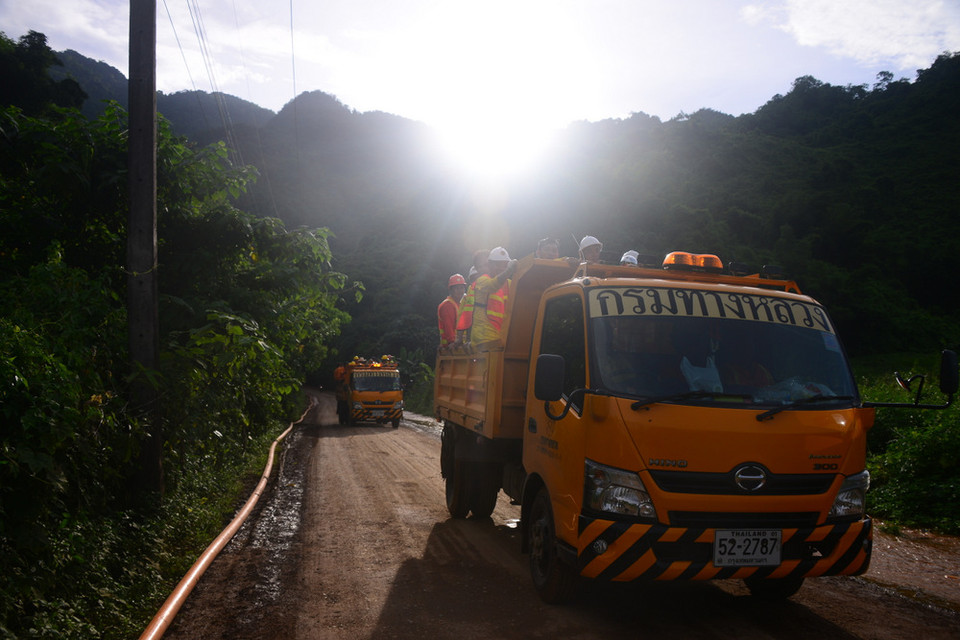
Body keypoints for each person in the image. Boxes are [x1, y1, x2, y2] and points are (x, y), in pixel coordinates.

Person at [471, 246, 517, 350]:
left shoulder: (506, 285)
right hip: (483, 339)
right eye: (498, 264)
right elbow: (493, 284)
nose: (501, 268)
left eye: (504, 265)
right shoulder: (482, 280)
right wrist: (509, 270)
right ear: (490, 265)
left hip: (496, 336)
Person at [438, 273, 467, 349]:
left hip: (458, 346)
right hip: (451, 348)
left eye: (461, 288)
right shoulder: (448, 305)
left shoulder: (459, 304)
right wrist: (452, 342)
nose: (460, 291)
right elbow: (448, 326)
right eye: (457, 288)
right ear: (451, 290)